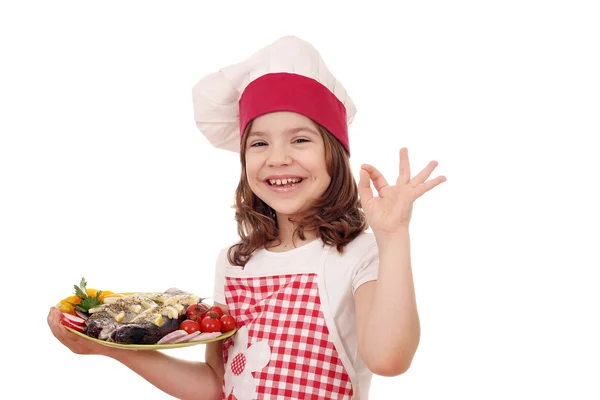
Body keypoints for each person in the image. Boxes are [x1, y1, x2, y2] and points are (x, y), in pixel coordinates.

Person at [47, 35, 446, 400]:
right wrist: (111, 348)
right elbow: (216, 385)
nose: (277, 158)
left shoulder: (357, 253)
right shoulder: (235, 261)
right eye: (259, 143)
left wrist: (393, 237)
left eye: (300, 139)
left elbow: (389, 359)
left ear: (335, 154)